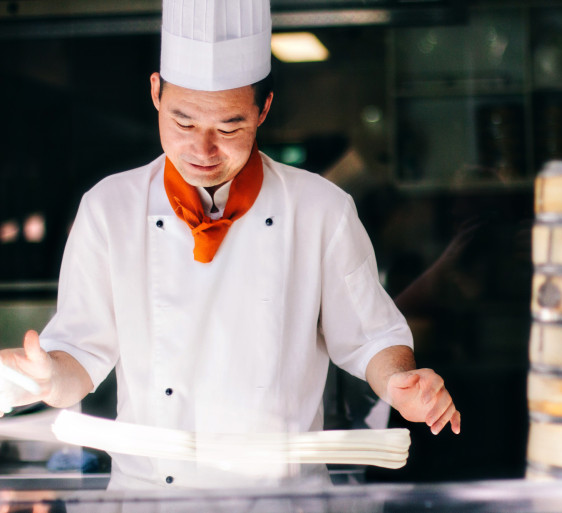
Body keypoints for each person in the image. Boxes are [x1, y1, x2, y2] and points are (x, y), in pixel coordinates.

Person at [0, 0, 459, 489]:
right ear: (155, 93)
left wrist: (400, 382)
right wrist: (46, 378)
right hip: (153, 499)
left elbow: (372, 337)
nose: (203, 150)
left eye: (229, 127)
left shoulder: (321, 208)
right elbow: (78, 353)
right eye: (183, 123)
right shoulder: (109, 209)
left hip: (282, 499)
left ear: (264, 109)